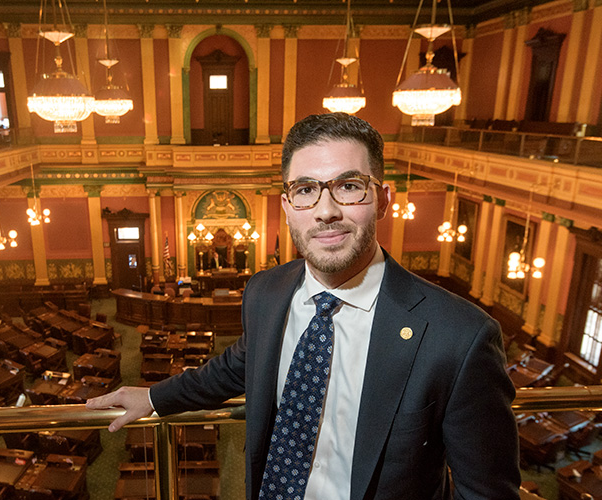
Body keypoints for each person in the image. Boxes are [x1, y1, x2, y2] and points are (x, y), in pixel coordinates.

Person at [86, 112, 521, 499]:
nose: (325, 211)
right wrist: (155, 396)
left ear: (384, 199)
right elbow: (237, 365)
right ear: (288, 207)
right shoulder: (265, 291)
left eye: (350, 187)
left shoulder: (460, 337)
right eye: (306, 190)